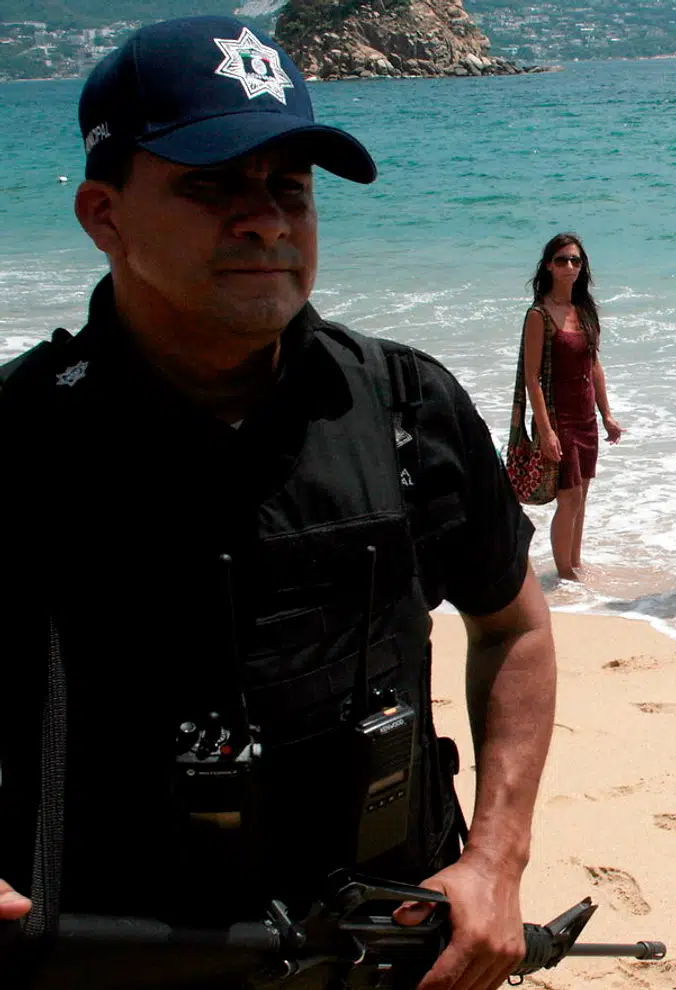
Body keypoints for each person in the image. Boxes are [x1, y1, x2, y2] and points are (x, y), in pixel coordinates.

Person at [0, 18, 556, 990]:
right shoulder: (18, 441)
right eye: (211, 185)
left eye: (289, 189)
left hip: (387, 955)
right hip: (109, 961)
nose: (264, 219)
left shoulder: (403, 407)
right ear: (103, 214)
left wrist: (495, 862)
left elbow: (515, 628)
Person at [521, 234, 623, 581]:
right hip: (558, 417)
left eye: (575, 261)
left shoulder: (584, 311)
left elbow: (594, 366)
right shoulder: (538, 315)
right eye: (562, 260)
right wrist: (546, 430)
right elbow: (531, 378)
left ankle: (575, 565)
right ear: (549, 265)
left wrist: (606, 414)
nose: (569, 266)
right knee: (569, 499)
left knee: (582, 497)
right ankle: (564, 574)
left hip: (585, 418)